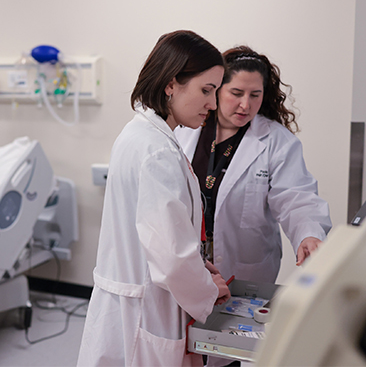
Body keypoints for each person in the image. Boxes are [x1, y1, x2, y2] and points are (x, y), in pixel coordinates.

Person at [77, 30, 231, 366]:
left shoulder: (142, 135)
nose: (213, 104)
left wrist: (197, 266)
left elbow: (156, 237)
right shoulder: (156, 151)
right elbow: (172, 259)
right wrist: (207, 290)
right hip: (144, 313)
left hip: (135, 301)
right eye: (206, 90)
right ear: (171, 84)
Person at [175, 45, 332, 287]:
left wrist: (308, 235)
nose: (245, 105)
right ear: (216, 90)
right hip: (187, 266)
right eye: (236, 93)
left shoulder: (277, 142)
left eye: (254, 95)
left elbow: (296, 198)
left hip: (245, 273)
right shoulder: (186, 129)